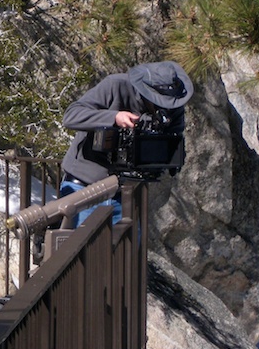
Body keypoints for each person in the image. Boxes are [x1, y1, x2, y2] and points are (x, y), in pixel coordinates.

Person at [60, 60, 194, 227]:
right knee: (79, 248)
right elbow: (71, 116)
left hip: (124, 193)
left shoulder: (173, 105)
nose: (164, 106)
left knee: (125, 250)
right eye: (159, 101)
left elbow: (173, 143)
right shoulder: (115, 85)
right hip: (84, 189)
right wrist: (113, 118)